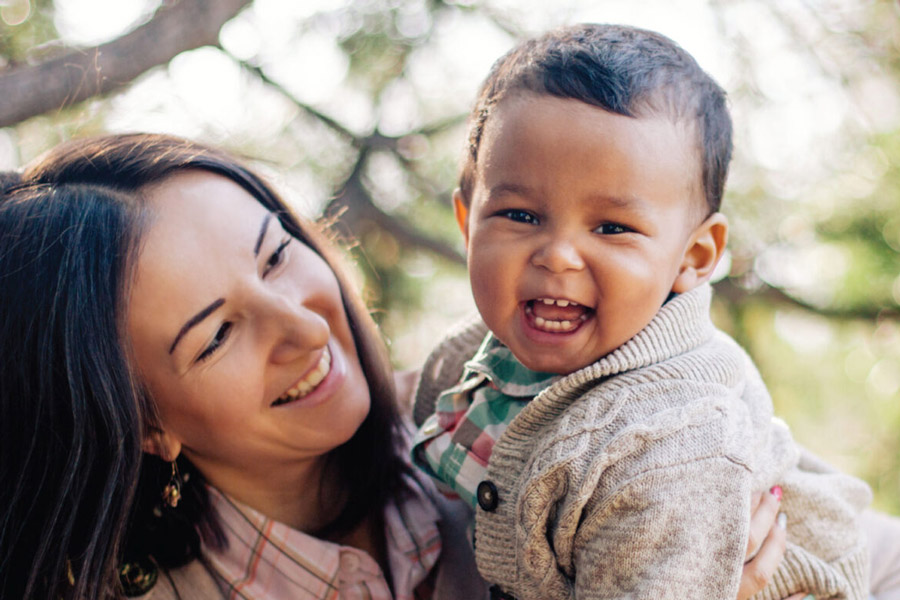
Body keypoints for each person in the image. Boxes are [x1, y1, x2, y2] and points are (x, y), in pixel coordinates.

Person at [0, 132, 803, 600]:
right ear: (144, 424)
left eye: (278, 256)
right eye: (216, 336)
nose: (304, 330)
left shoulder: (503, 411)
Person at [411, 23, 872, 600]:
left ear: (693, 256)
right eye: (520, 215)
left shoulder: (671, 449)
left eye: (612, 227)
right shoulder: (466, 357)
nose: (557, 255)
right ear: (467, 224)